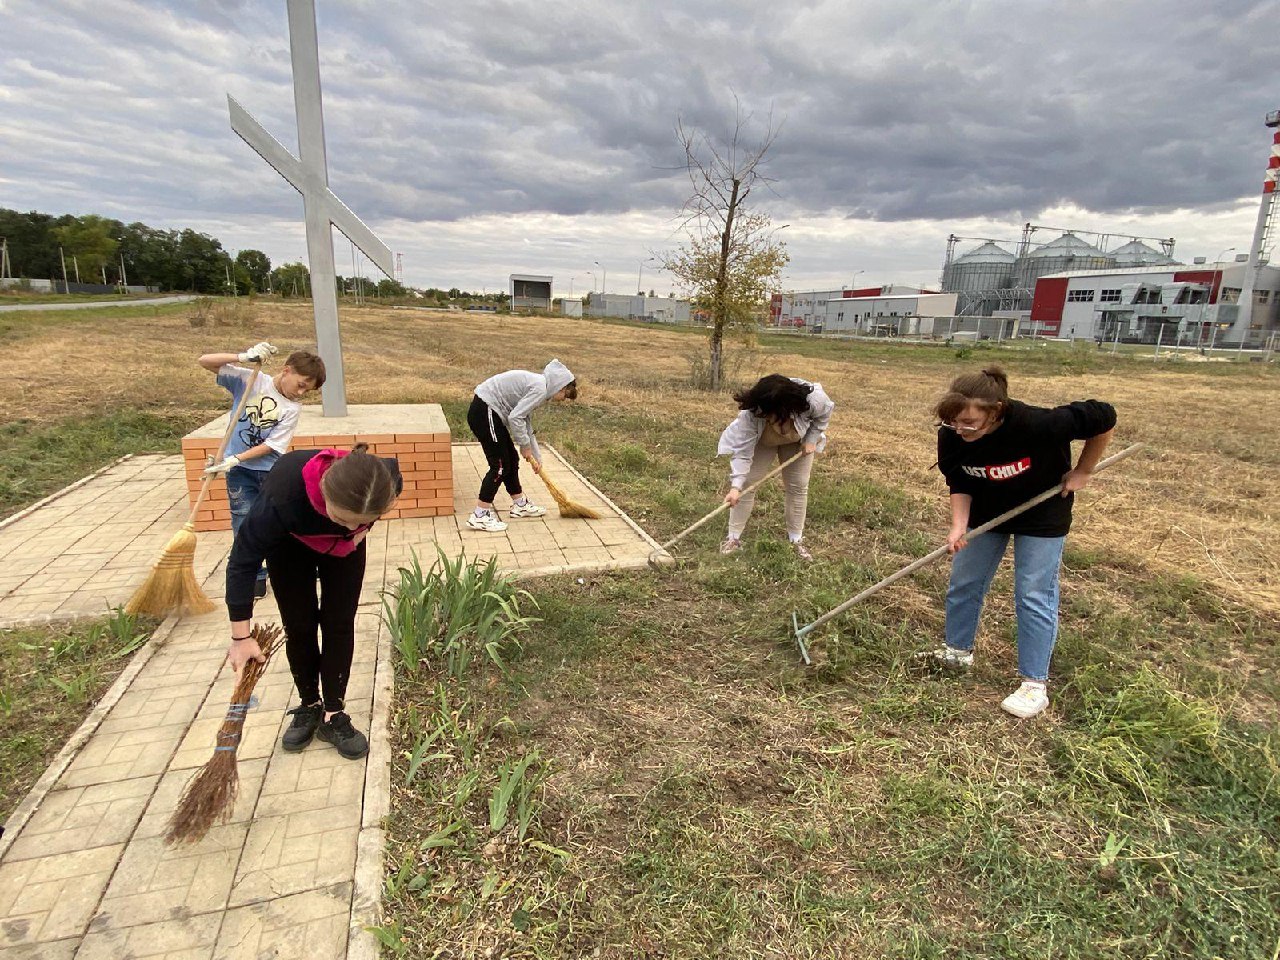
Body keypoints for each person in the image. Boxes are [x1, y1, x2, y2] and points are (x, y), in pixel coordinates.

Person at [930, 365, 1115, 719]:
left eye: (970, 422)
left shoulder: (1040, 424)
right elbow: (961, 482)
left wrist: (1084, 470)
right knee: (964, 582)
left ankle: (1034, 685)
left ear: (996, 411)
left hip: (1041, 514)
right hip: (988, 513)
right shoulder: (952, 433)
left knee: (1032, 593)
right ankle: (956, 652)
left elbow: (1105, 418)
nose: (960, 429)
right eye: (955, 421)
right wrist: (959, 526)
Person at [225, 444, 402, 759]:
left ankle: (333, 714)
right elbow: (242, 562)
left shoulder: (383, 480)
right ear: (324, 496)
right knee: (300, 624)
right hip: (289, 546)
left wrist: (360, 531)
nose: (349, 525)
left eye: (360, 520)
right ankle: (309, 705)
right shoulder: (281, 499)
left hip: (344, 550)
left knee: (339, 622)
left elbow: (359, 518)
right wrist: (241, 637)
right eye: (342, 518)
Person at [198, 342, 326, 599]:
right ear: (286, 370)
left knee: (285, 521)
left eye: (307, 390)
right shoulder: (252, 381)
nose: (301, 393)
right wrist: (243, 356)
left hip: (270, 472)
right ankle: (254, 576)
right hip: (239, 474)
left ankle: (301, 565)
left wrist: (234, 458)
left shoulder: (292, 408)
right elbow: (205, 360)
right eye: (301, 384)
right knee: (243, 521)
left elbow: (272, 445)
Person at [718, 374, 834, 561]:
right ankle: (733, 539)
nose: (767, 417)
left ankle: (796, 540)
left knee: (798, 485)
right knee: (747, 484)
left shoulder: (814, 400)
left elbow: (824, 414)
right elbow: (743, 452)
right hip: (763, 440)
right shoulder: (752, 414)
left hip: (797, 440)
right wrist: (735, 487)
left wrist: (812, 439)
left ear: (786, 409)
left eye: (771, 415)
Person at [465, 359, 577, 532]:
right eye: (565, 395)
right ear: (560, 387)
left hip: (491, 413)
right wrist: (524, 445)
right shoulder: (540, 388)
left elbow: (525, 421)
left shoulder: (540, 385)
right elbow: (515, 418)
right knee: (500, 465)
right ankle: (480, 515)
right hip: (484, 411)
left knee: (511, 459)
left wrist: (536, 456)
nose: (562, 400)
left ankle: (520, 504)